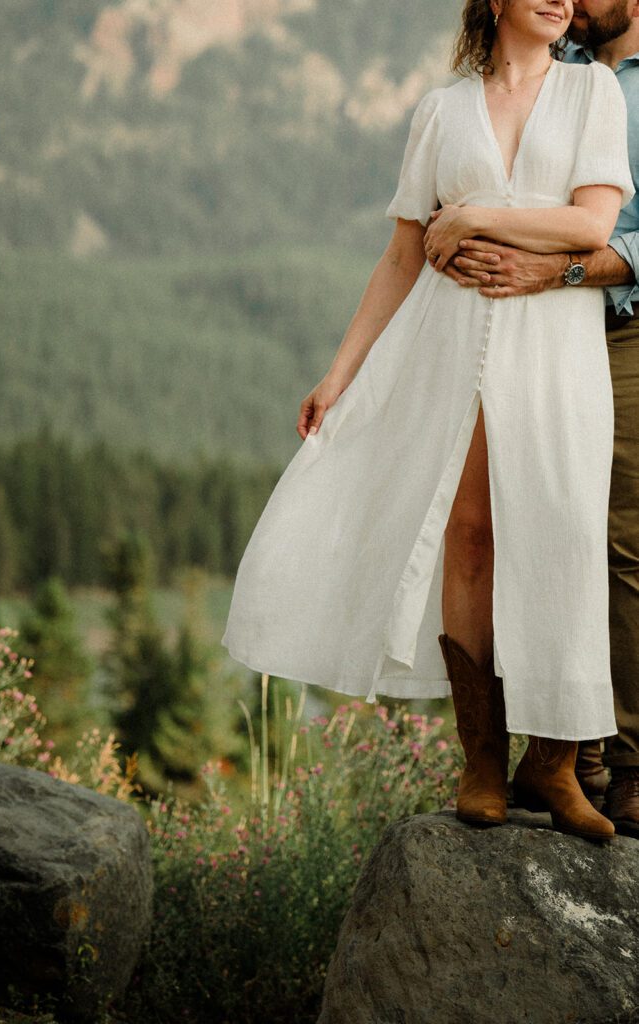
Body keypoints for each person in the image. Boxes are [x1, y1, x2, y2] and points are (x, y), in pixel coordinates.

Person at [221, 0, 635, 842]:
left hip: (556, 344)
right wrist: (339, 375)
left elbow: (590, 222)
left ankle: (556, 764)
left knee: (562, 532)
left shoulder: (596, 96)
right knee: (470, 537)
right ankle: (482, 758)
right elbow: (405, 254)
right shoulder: (441, 111)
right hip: (450, 342)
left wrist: (475, 215)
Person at [443, 0, 639, 838]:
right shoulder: (546, 78)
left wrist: (552, 272)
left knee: (610, 539)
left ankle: (619, 767)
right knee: (490, 530)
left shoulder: (607, 88)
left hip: (619, 326)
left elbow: (608, 229)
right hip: (512, 326)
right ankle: (534, 757)